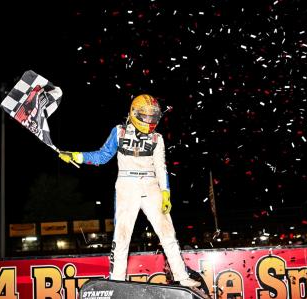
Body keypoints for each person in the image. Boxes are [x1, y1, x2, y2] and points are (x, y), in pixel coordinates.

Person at [59, 94, 201, 288]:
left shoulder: (157, 138)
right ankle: (117, 279)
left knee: (167, 232)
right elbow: (102, 156)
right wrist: (76, 156)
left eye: (154, 116)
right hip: (126, 184)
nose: (150, 121)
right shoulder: (119, 132)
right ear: (134, 113)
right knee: (122, 233)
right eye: (146, 116)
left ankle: (181, 276)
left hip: (151, 184)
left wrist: (165, 193)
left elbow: (161, 167)